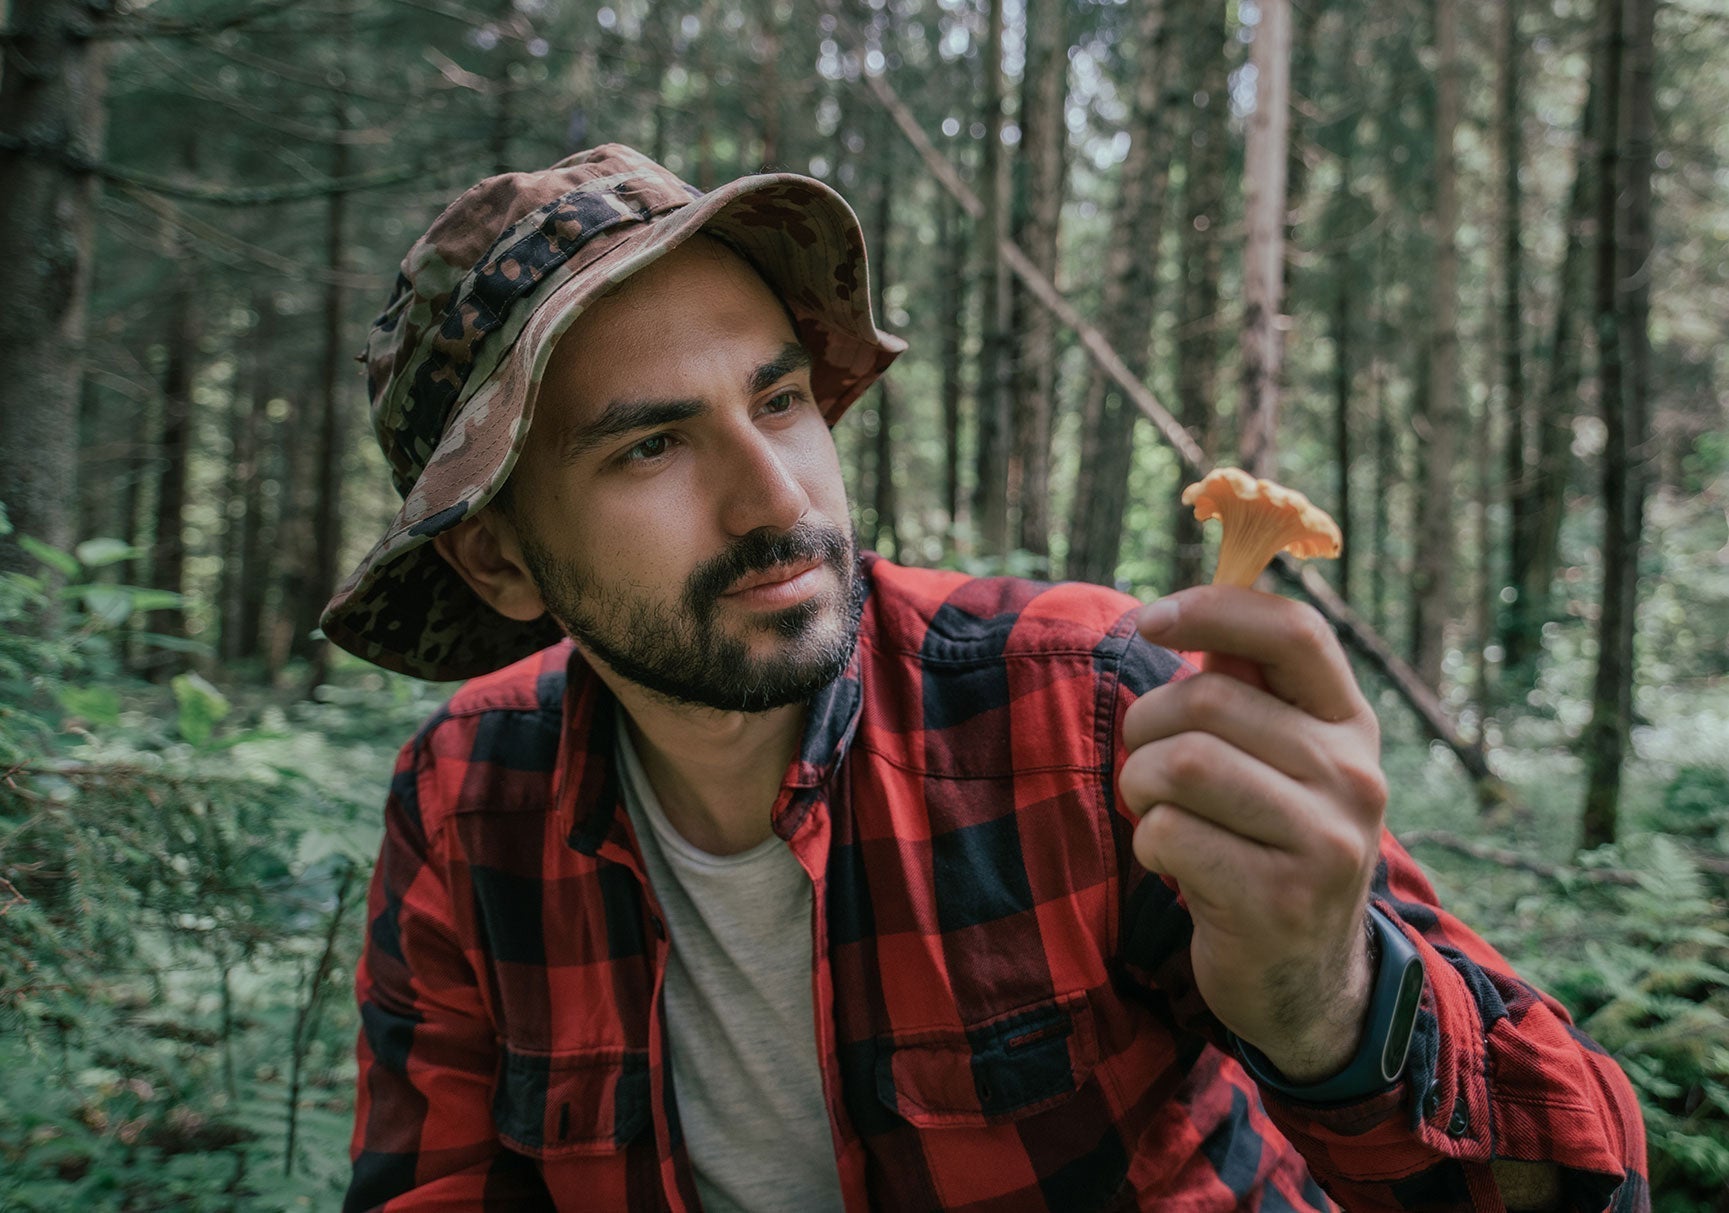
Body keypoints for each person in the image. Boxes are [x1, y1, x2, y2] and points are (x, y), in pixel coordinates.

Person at [325, 144, 1647, 1212]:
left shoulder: (1091, 709)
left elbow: (1585, 1177)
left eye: (779, 401)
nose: (775, 494)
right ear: (499, 559)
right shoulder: (461, 799)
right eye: (653, 445)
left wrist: (1329, 1001)